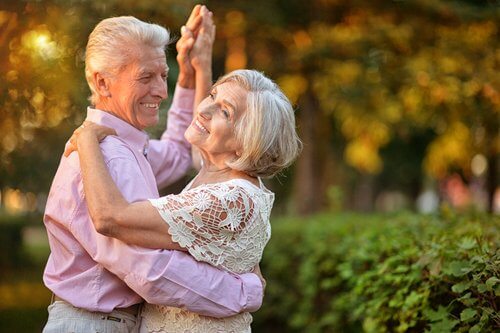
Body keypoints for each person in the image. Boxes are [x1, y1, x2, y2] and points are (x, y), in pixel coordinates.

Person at [42, 7, 265, 333]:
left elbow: (177, 152)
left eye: (163, 75)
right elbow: (150, 269)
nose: (161, 91)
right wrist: (246, 289)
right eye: (145, 78)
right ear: (102, 83)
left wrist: (188, 76)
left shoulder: (127, 145)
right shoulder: (111, 156)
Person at [65, 68, 302, 332]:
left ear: (248, 139)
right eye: (212, 95)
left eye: (225, 112)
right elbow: (196, 142)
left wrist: (87, 139)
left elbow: (110, 217)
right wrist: (200, 65)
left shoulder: (230, 199)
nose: (204, 109)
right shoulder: (213, 177)